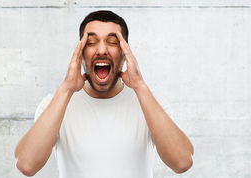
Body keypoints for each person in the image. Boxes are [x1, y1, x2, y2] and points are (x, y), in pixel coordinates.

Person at [15, 10, 194, 177]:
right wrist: (66, 89)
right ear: (81, 53)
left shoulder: (151, 102)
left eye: (113, 42)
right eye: (91, 43)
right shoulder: (55, 104)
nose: (101, 50)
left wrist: (140, 86)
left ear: (125, 53)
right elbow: (27, 165)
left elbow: (182, 162)